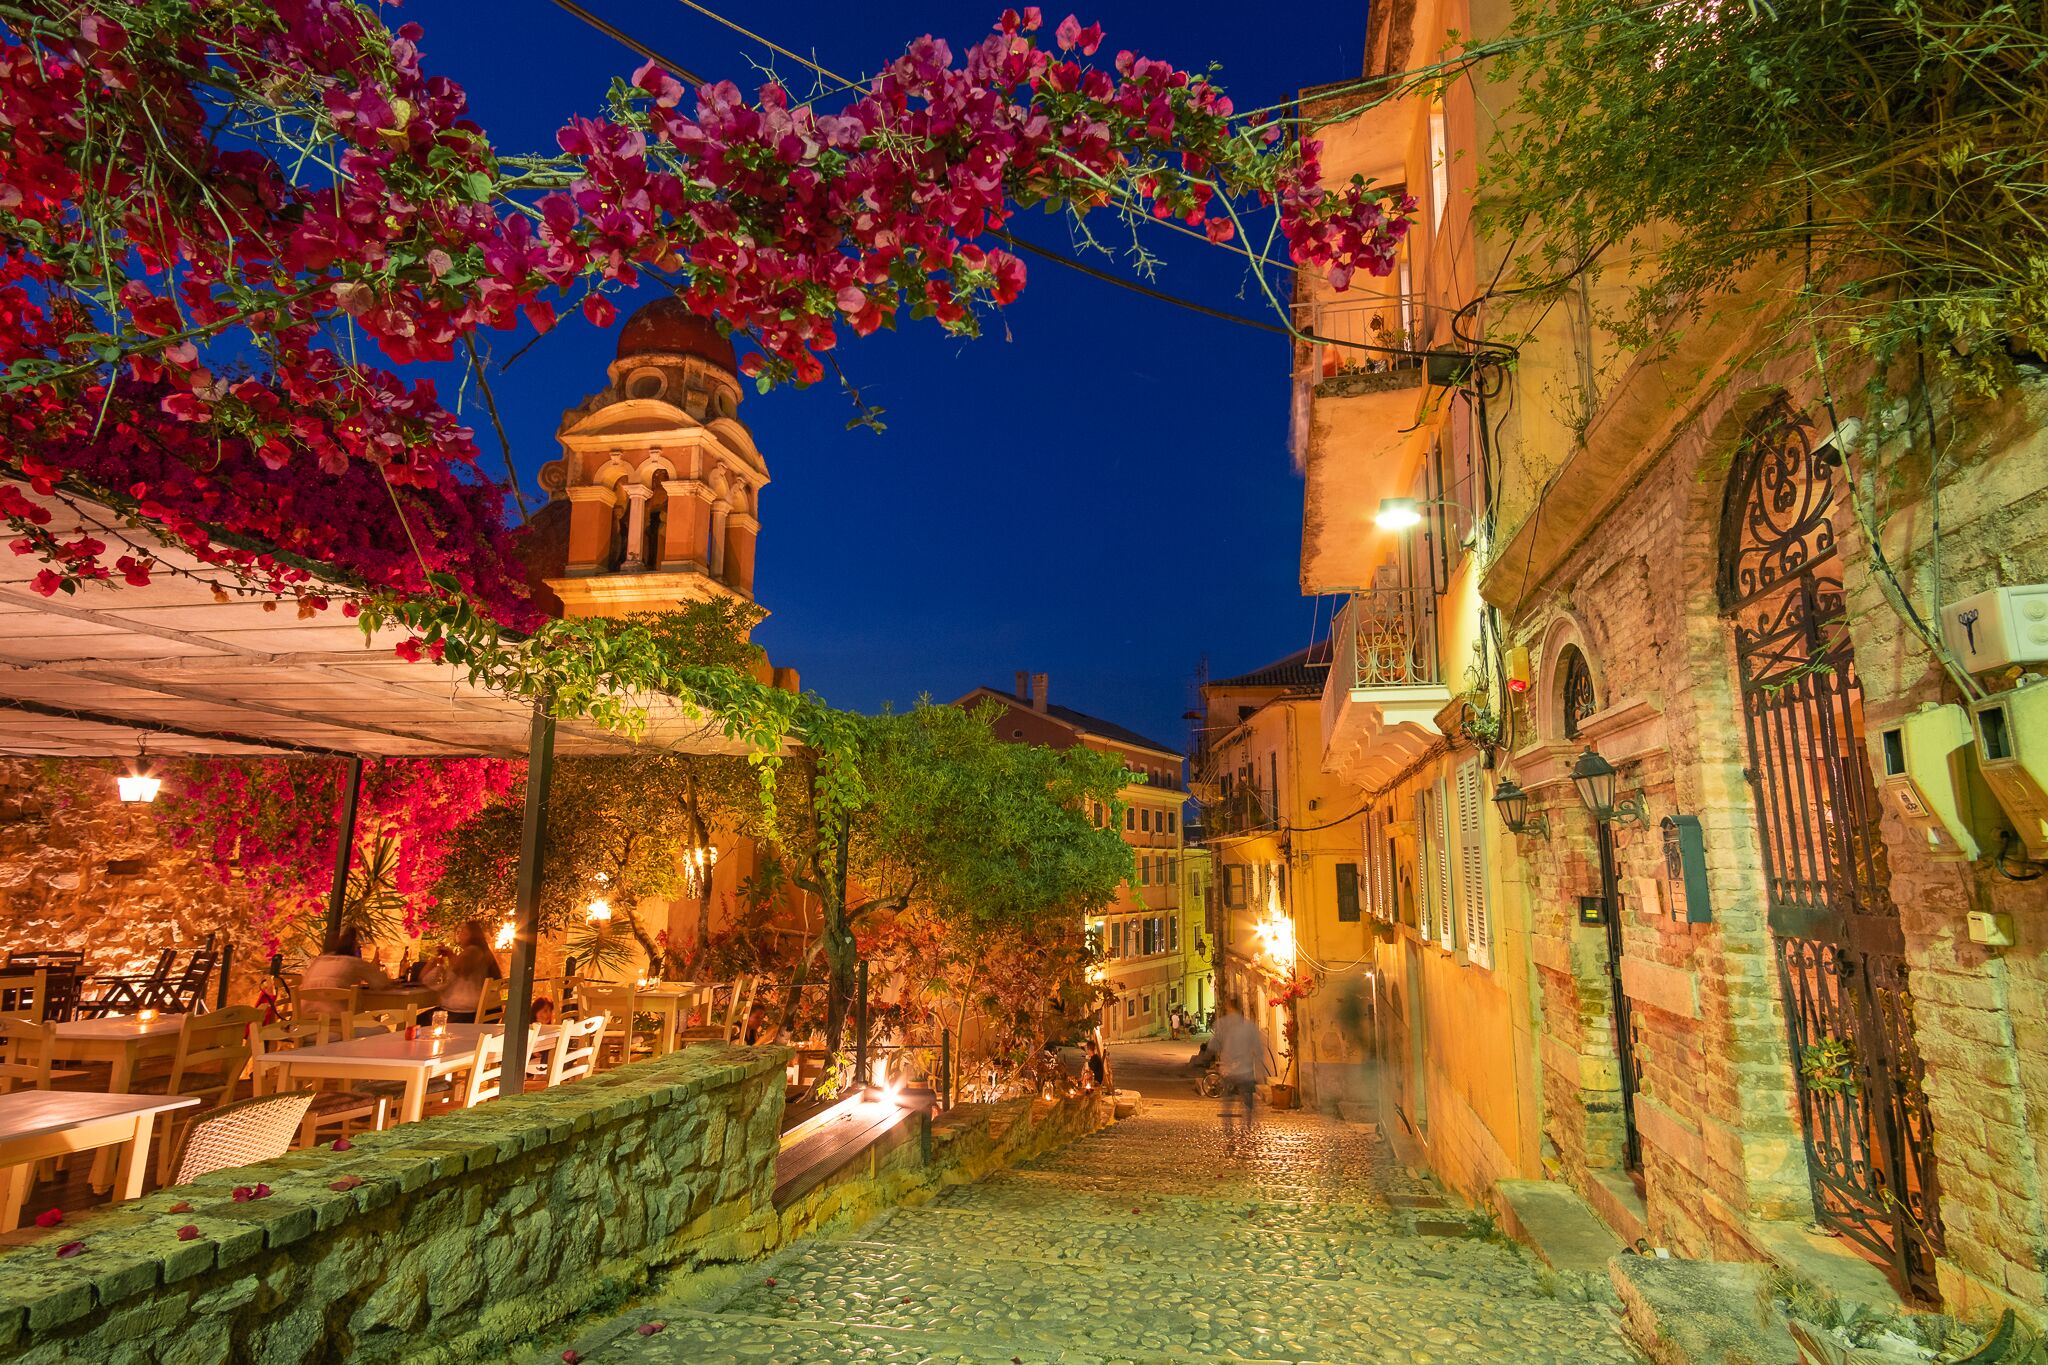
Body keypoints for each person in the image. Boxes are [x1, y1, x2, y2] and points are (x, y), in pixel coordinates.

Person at [1212, 995, 1270, 1153]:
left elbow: (1213, 1045)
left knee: (1228, 1103)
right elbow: (1258, 1050)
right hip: (1245, 1072)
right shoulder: (1250, 1027)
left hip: (1228, 1072)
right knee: (1248, 1104)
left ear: (1229, 1007)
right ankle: (1247, 1129)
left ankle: (1229, 1133)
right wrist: (1260, 1071)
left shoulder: (1222, 1024)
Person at [423, 920, 503, 1023]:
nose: (460, 936)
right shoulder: (482, 952)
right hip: (484, 1011)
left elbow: (461, 969)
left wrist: (447, 954)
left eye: (464, 933)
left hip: (466, 1013)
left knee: (417, 1022)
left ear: (472, 936)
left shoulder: (473, 951)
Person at [301, 928, 394, 992]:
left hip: (307, 1018)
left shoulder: (318, 962)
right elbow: (381, 982)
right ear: (353, 947)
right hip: (340, 1018)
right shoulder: (352, 962)